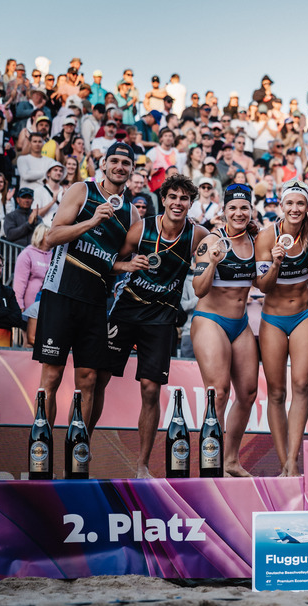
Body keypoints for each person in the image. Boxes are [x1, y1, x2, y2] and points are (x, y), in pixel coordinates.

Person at [95, 174, 206, 477]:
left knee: (150, 389)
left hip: (161, 317)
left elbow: (220, 246)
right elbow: (110, 262)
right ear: (163, 199)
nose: (178, 203)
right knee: (99, 377)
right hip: (127, 310)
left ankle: (142, 465)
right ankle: (83, 445)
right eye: (173, 197)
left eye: (184, 198)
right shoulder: (142, 228)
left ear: (190, 203)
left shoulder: (197, 235)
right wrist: (127, 265)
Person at [33, 142, 138, 431]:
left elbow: (111, 262)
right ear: (103, 164)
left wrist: (127, 267)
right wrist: (92, 221)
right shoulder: (82, 190)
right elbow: (51, 237)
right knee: (52, 376)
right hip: (61, 294)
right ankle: (42, 447)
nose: (119, 167)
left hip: (95, 302)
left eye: (125, 163)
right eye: (114, 161)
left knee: (89, 379)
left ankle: (76, 450)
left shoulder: (132, 214)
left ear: (132, 170)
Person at [190, 184, 258, 476]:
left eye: (244, 208)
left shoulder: (255, 240)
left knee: (248, 393)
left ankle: (230, 460)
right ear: (224, 211)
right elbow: (198, 289)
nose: (239, 213)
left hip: (240, 324)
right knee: (218, 393)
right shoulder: (211, 241)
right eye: (233, 208)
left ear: (251, 210)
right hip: (211, 319)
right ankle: (210, 463)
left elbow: (260, 280)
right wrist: (212, 263)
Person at [255, 179, 308, 476]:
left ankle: (293, 460)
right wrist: (276, 264)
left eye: (300, 204)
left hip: (303, 314)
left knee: (302, 386)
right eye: (290, 203)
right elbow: (263, 286)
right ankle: (284, 464)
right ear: (281, 206)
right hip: (273, 318)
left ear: (307, 207)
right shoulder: (266, 237)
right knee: (277, 392)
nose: (295, 209)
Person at [12, 225, 51, 347]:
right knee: (29, 342)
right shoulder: (27, 253)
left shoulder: (54, 255)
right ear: (40, 236)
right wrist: (19, 305)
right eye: (48, 234)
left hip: (47, 305)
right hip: (30, 307)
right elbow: (19, 282)